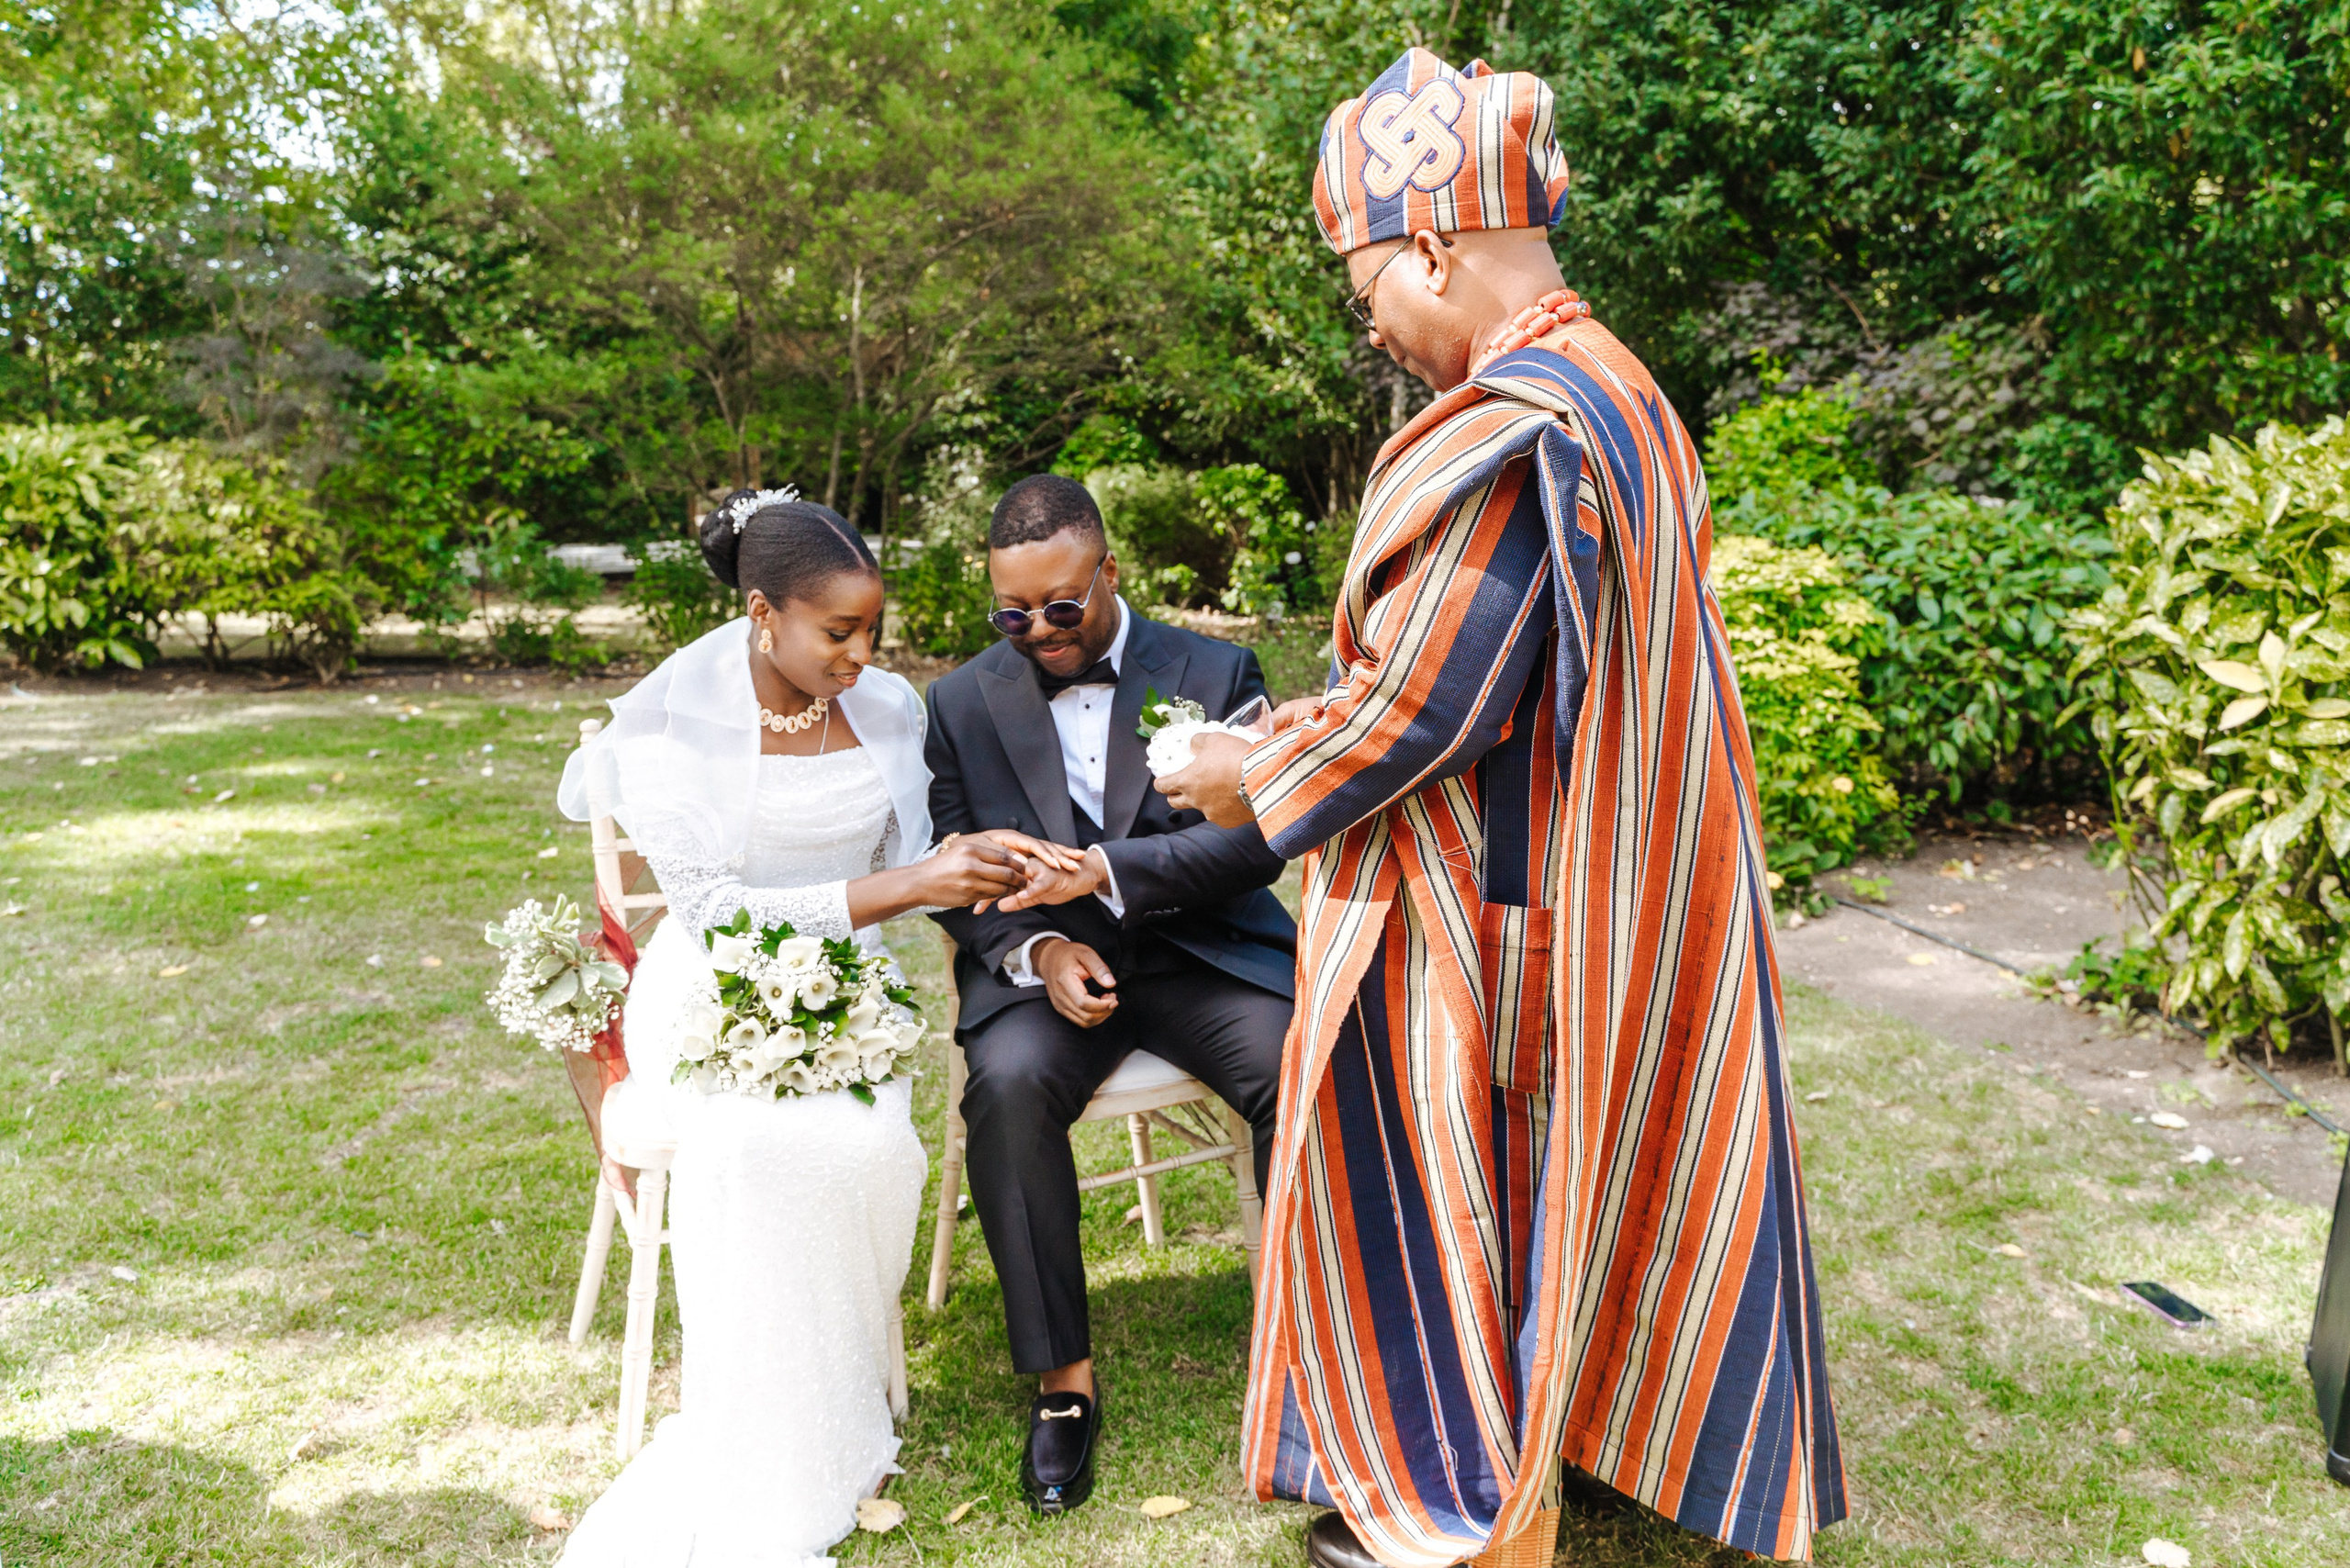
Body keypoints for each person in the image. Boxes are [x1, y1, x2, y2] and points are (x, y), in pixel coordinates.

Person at [1155, 49, 1846, 1568]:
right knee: (1583, 1179)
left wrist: (1244, 770)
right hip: (1616, 875)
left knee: (1456, 1188)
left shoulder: (1513, 422)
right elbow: (1489, 661)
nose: (1378, 331)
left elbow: (1429, 708)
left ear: (1432, 245)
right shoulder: (1626, 391)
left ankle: (1465, 1506)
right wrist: (1315, 721)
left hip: (1495, 907)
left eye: (1368, 295)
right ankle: (1571, 1439)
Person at [554, 490, 1067, 1567]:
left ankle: (838, 1407)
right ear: (760, 613)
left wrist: (999, 868)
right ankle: (763, 1432)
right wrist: (900, 884)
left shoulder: (887, 708)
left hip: (850, 992)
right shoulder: (665, 732)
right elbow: (712, 919)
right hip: (710, 992)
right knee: (750, 1146)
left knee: (865, 1144)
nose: (862, 654)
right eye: (838, 631)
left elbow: (925, 865)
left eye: (872, 629)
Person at [923, 474, 1297, 1516]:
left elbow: (1252, 842)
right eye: (1011, 613)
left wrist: (1108, 872)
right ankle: (1061, 1385)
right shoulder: (958, 704)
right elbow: (955, 871)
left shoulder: (1214, 667)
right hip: (1051, 979)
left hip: (1202, 953)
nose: (1037, 632)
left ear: (1109, 574)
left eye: (1061, 607)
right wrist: (1038, 946)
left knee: (1299, 1063)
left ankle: (1314, 1339)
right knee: (1004, 1085)